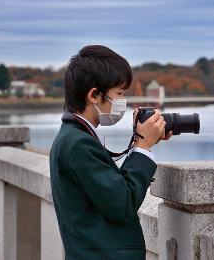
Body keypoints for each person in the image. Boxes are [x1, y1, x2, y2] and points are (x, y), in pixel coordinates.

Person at [49, 45, 172, 260]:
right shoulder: (78, 143)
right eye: (119, 93)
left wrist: (140, 144)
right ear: (94, 95)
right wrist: (142, 149)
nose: (122, 101)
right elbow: (122, 203)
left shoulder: (73, 136)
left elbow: (109, 190)